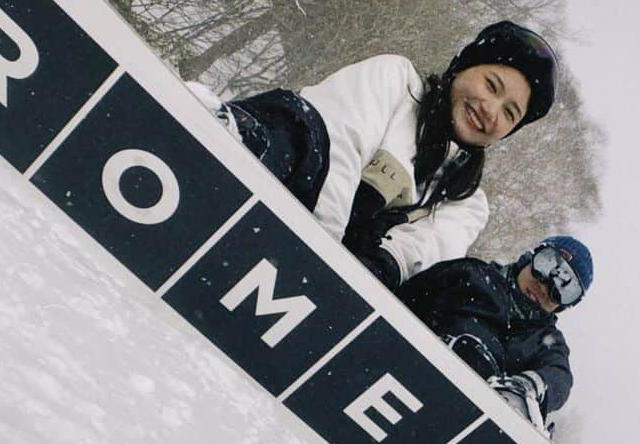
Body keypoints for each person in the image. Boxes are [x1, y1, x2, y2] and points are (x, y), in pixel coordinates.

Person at [192, 21, 558, 289]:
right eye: (491, 86)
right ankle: (229, 135)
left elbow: (425, 248)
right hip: (285, 194)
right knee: (303, 128)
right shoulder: (397, 82)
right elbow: (339, 142)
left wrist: (364, 272)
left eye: (510, 113)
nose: (491, 111)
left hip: (338, 271)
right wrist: (314, 254)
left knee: (454, 283)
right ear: (462, 69)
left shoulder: (466, 200)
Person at [399, 235, 593, 435]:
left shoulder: (546, 343)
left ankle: (505, 406)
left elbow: (558, 375)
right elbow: (410, 295)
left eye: (563, 290)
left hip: (462, 415)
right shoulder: (472, 275)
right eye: (545, 266)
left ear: (565, 305)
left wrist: (530, 388)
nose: (544, 287)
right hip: (413, 368)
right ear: (530, 257)